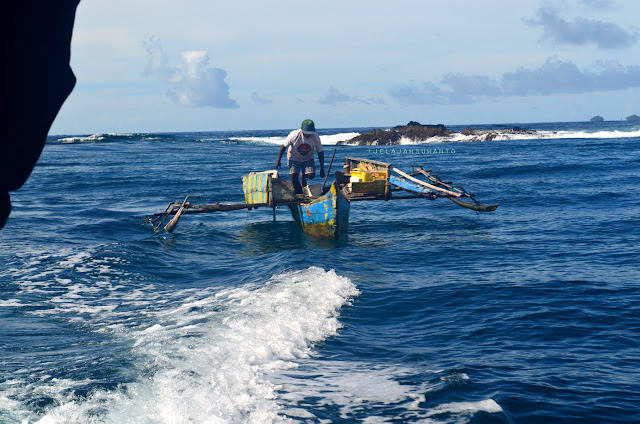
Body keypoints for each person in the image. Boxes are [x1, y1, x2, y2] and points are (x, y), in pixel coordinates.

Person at [275, 119, 325, 195]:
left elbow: (320, 152)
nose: (307, 135)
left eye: (309, 133)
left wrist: (322, 168)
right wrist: (278, 160)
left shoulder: (315, 137)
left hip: (308, 158)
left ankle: (303, 176)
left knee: (311, 175)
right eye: (305, 133)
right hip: (293, 158)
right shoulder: (294, 135)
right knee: (294, 177)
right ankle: (300, 194)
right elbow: (283, 147)